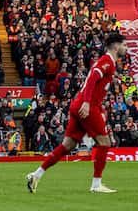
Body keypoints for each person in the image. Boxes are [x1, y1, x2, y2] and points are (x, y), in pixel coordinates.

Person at [26, 32, 128, 194]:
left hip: (79, 104)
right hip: (86, 106)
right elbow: (93, 78)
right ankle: (96, 184)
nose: (126, 48)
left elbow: (95, 86)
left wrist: (98, 108)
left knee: (68, 145)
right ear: (116, 46)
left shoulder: (108, 62)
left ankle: (36, 174)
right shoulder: (107, 61)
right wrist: (88, 103)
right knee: (105, 143)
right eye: (124, 45)